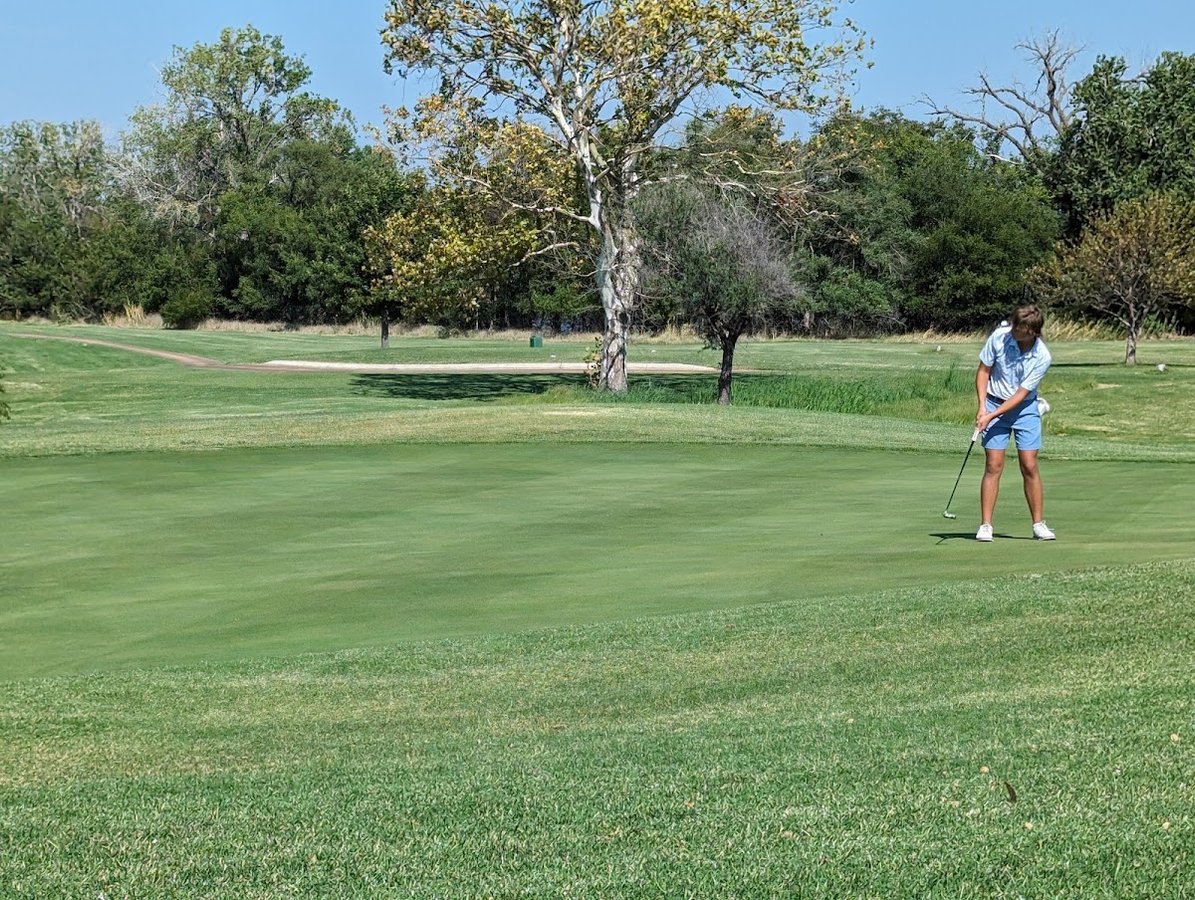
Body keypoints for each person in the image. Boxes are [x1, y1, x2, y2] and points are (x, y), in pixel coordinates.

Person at [974, 304, 1055, 542]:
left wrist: (990, 415)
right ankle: (986, 525)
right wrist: (982, 406)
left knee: (1029, 465)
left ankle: (1038, 524)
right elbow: (983, 371)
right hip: (992, 402)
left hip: (1025, 408)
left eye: (1018, 328)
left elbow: (1020, 395)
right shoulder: (1000, 337)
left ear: (1031, 331)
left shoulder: (1042, 356)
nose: (1012, 331)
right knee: (993, 465)